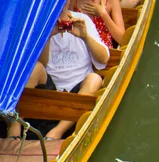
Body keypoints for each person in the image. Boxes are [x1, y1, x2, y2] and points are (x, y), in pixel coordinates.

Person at [8, 2, 109, 141]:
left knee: (94, 78)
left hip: (78, 90)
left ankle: (57, 131)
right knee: (35, 68)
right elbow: (42, 63)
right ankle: (14, 127)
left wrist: (85, 37)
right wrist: (47, 36)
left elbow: (103, 60)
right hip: (49, 90)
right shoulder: (39, 23)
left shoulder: (83, 20)